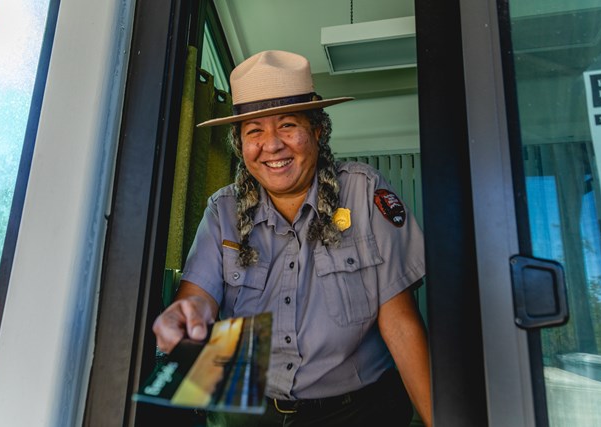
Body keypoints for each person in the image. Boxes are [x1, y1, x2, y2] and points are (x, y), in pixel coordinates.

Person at [153, 50, 432, 427]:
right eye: (255, 131)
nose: (272, 145)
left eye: (287, 125)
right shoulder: (222, 210)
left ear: (317, 130)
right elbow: (198, 300)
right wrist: (185, 316)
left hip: (356, 412)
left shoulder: (363, 193)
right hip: (247, 412)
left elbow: (400, 324)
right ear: (240, 145)